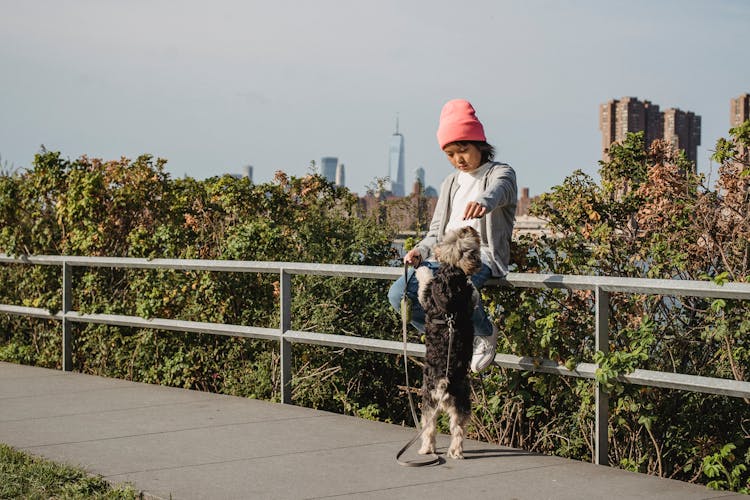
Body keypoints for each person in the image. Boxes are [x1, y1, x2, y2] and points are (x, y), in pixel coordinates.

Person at [388, 98, 517, 373]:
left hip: (479, 257)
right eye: (450, 154)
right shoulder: (450, 183)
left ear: (479, 144)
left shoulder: (500, 173)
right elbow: (436, 232)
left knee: (457, 292)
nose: (458, 159)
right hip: (444, 256)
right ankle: (450, 336)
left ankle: (484, 332)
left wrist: (485, 201)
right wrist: (420, 251)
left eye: (463, 150)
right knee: (399, 293)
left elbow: (500, 189)